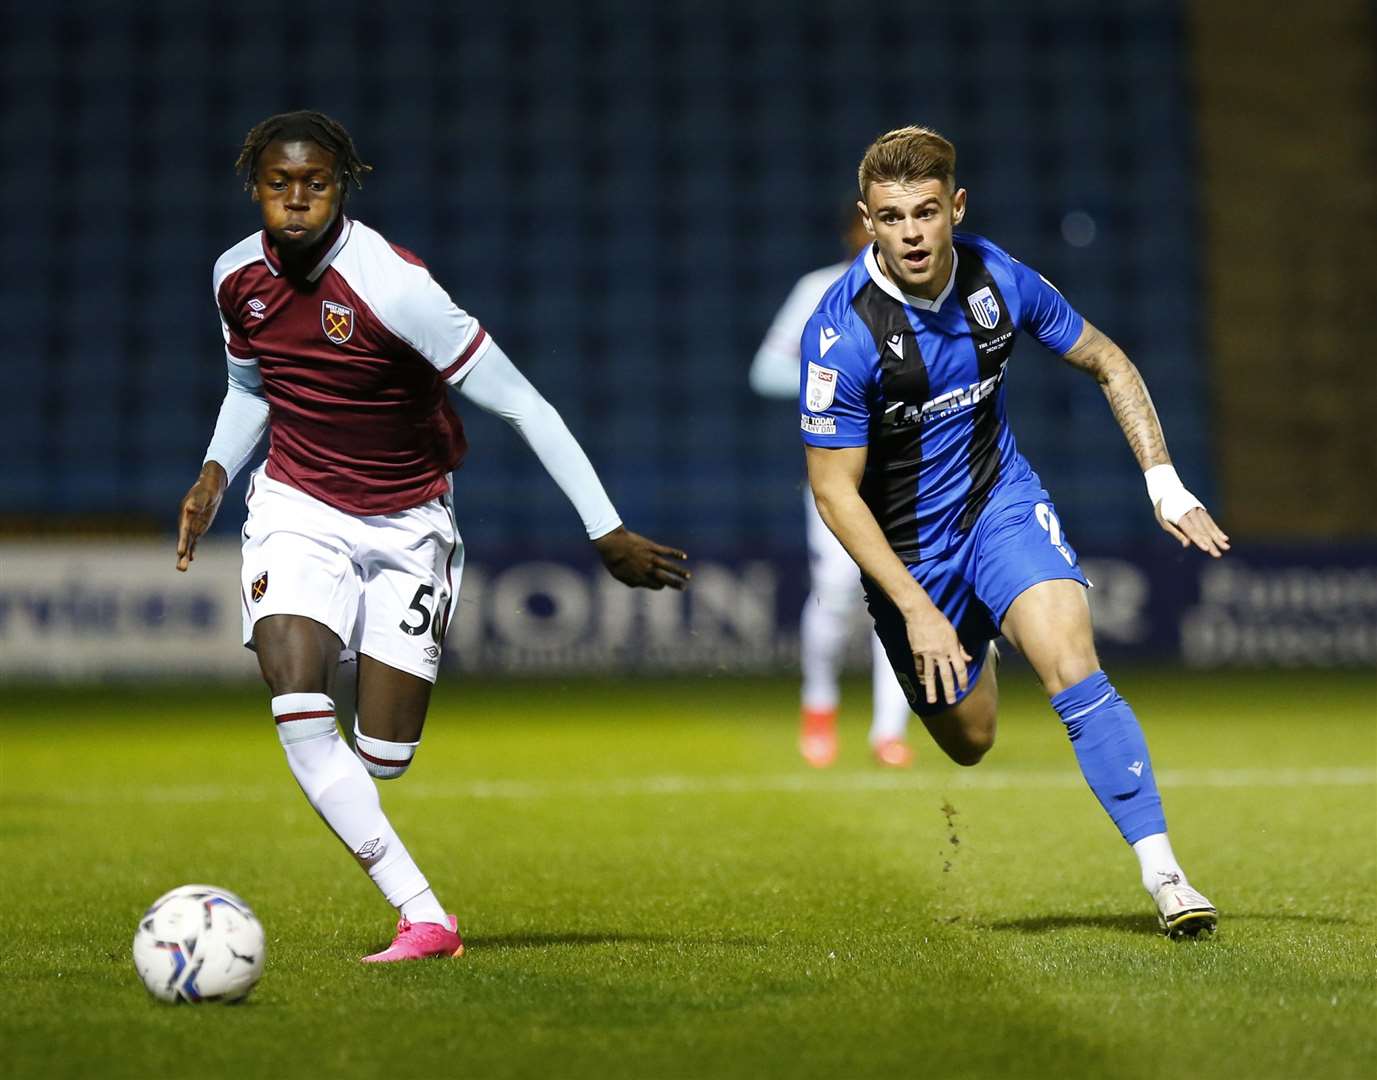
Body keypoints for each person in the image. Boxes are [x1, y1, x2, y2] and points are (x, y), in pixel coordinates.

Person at [175, 111, 690, 962]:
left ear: (344, 185)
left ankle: (386, 801)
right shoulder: (235, 275)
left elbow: (523, 400)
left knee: (380, 758)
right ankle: (424, 916)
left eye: (316, 183)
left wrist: (606, 529)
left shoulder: (397, 288)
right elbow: (249, 388)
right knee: (297, 698)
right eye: (279, 184)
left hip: (409, 521)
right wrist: (214, 474)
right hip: (296, 507)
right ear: (255, 185)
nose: (296, 199)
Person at [800, 126, 1229, 937]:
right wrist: (917, 607)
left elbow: (1108, 359)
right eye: (891, 218)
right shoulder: (841, 334)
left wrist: (1163, 484)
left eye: (927, 212)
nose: (913, 233)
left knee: (1073, 669)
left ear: (955, 207)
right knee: (972, 741)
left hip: (999, 506)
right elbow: (833, 494)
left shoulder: (999, 279)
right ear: (868, 220)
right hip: (908, 559)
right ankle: (974, 630)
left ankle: (1166, 875)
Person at [751, 208, 914, 768]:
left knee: (899, 595)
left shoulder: (922, 296)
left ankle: (889, 731)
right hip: (838, 469)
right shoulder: (820, 290)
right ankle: (818, 704)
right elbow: (765, 371)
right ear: (855, 233)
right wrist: (834, 378)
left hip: (907, 473)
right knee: (837, 590)